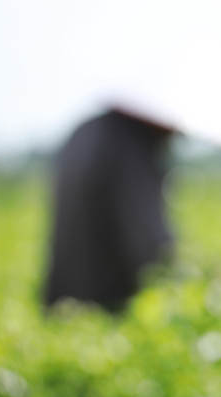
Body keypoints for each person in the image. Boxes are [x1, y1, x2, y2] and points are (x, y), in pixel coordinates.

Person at [43, 107, 176, 312]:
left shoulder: (88, 131)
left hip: (64, 304)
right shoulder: (128, 142)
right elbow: (152, 250)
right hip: (107, 309)